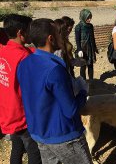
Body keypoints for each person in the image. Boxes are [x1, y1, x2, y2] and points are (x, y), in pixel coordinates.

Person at [17, 18, 92, 164]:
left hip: (39, 132)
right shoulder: (54, 69)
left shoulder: (24, 63)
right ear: (50, 39)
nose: (61, 36)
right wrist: (83, 91)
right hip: (63, 135)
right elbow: (70, 110)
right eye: (58, 33)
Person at [0, 14, 41, 164]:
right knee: (34, 151)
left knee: (17, 147)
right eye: (30, 30)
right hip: (23, 116)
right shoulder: (24, 58)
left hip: (7, 113)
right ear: (20, 33)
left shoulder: (3, 51)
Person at [75, 9, 98, 80]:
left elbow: (92, 37)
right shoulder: (78, 27)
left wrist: (94, 47)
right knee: (83, 65)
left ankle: (91, 80)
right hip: (83, 49)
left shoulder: (90, 26)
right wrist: (79, 49)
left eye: (90, 17)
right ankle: (83, 81)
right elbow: (77, 39)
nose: (89, 19)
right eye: (88, 18)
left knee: (90, 65)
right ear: (83, 17)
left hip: (90, 48)